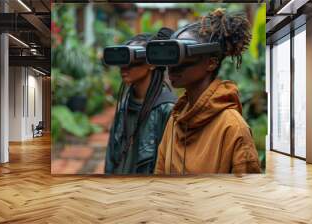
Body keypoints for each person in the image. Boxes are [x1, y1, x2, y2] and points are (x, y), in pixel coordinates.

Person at [154, 9, 261, 174]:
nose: (172, 68)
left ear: (211, 63)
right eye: (171, 58)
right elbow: (159, 175)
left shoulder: (233, 127)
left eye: (182, 57)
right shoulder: (176, 119)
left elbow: (245, 194)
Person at [105, 28, 177, 174]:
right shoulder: (124, 106)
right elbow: (111, 157)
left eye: (132, 62)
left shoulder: (167, 109)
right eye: (121, 61)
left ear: (152, 63)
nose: (123, 68)